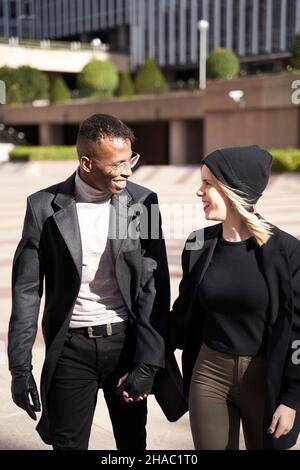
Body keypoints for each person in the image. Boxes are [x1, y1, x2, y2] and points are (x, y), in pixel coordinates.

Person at [8, 113, 170, 450]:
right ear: (86, 163)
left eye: (131, 161)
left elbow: (155, 286)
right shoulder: (43, 208)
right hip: (71, 349)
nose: (127, 172)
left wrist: (149, 362)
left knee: (132, 445)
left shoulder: (143, 203)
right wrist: (20, 368)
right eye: (117, 165)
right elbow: (26, 291)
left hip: (126, 345)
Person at [170, 145, 300, 450]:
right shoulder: (198, 244)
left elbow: (297, 329)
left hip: (264, 377)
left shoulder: (288, 252)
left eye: (207, 184)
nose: (199, 192)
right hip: (209, 373)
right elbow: (182, 313)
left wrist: (292, 398)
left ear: (233, 190)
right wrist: (144, 357)